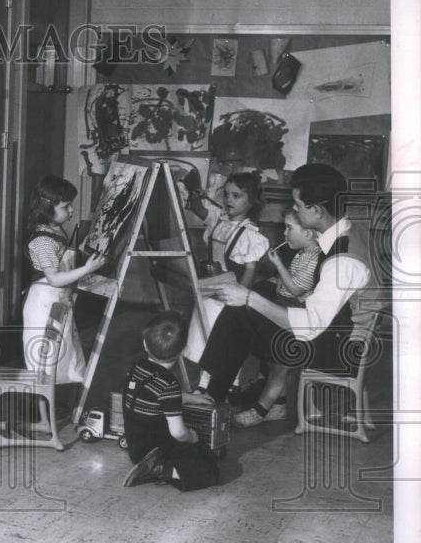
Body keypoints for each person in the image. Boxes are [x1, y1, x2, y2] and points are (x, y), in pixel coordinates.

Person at [193, 164, 372, 427]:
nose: (295, 210)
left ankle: (210, 397)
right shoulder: (347, 229)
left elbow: (310, 326)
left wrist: (248, 298)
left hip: (337, 350)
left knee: (242, 312)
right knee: (262, 291)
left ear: (317, 211)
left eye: (298, 205)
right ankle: (244, 393)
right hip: (338, 328)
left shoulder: (342, 261)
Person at [121, 310, 220, 491]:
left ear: (145, 343)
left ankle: (153, 465)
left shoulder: (138, 367)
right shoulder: (168, 384)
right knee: (209, 471)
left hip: (135, 445)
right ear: (183, 351)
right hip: (155, 448)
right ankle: (161, 469)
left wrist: (192, 398)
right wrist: (192, 437)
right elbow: (178, 433)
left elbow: (156, 397)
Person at [23, 176, 106, 384]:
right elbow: (54, 279)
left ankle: (50, 399)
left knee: (60, 355)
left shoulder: (55, 228)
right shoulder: (43, 239)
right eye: (66, 206)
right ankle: (42, 403)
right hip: (44, 302)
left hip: (56, 300)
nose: (71, 211)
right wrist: (87, 268)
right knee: (46, 359)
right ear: (47, 207)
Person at [182, 171, 270, 367]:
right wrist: (196, 195)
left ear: (252, 201)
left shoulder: (250, 235)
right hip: (208, 288)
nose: (229, 199)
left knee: (218, 341)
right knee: (198, 337)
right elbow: (198, 208)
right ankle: (199, 380)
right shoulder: (219, 220)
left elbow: (249, 270)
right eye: (226, 195)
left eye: (236, 196)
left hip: (228, 295)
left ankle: (218, 384)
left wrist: (239, 297)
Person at [260, 210, 322, 307]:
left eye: (289, 227)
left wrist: (278, 264)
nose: (285, 232)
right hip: (285, 299)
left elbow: (296, 290)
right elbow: (292, 277)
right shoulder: (303, 252)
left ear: (307, 235)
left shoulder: (312, 259)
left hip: (293, 304)